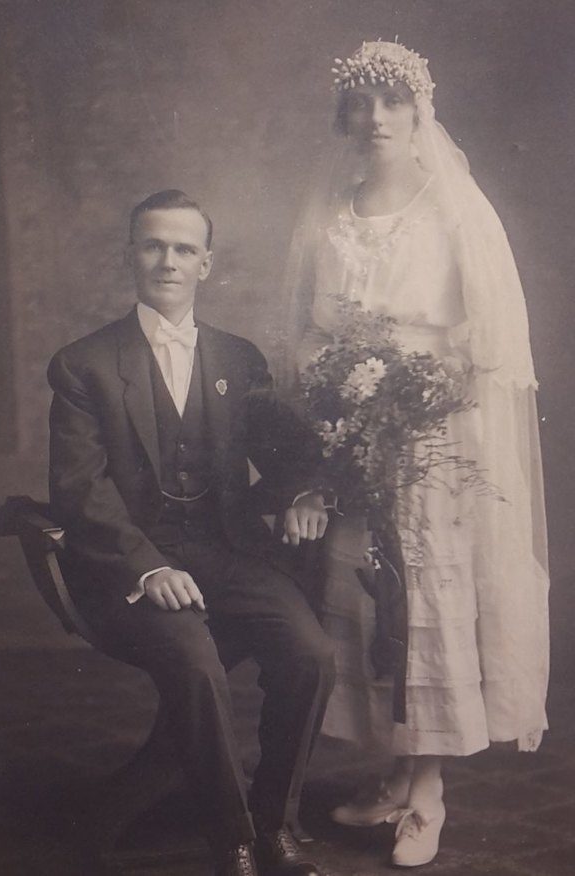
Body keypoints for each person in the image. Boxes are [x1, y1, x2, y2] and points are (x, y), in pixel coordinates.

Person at [283, 40, 550, 867]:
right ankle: (396, 774)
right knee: (372, 606)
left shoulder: (454, 210)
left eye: (390, 102)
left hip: (433, 438)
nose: (374, 119)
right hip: (353, 435)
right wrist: (337, 400)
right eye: (359, 105)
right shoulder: (330, 209)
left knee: (426, 600)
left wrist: (414, 399)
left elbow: (495, 345)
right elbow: (305, 330)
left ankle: (427, 789)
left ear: (419, 111)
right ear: (345, 118)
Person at [47, 189, 336, 876]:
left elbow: (290, 447)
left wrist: (302, 491)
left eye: (183, 249)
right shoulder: (84, 364)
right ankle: (230, 838)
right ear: (130, 256)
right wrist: (146, 568)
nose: (167, 261)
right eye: (153, 245)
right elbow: (79, 490)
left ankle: (276, 823)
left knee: (311, 654)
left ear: (206, 264)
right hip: (133, 566)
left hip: (226, 552)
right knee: (196, 660)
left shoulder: (238, 359)